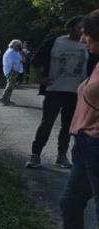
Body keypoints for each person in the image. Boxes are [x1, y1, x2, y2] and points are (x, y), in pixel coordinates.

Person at [33, 9, 99, 229]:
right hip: (85, 144)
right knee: (70, 202)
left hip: (96, 144)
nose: (82, 38)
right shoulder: (96, 61)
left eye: (87, 32)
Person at [27, 16, 88, 169]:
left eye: (84, 28)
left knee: (68, 126)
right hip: (54, 90)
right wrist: (41, 79)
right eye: (78, 27)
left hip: (76, 92)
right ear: (70, 28)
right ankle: (35, 155)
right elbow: (36, 61)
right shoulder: (55, 42)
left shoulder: (87, 44)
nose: (81, 31)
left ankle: (62, 156)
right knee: (46, 123)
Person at [0, 39, 24, 105]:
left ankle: (7, 99)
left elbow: (21, 60)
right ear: (13, 45)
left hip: (14, 70)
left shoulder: (15, 52)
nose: (19, 47)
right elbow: (13, 61)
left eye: (20, 46)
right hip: (11, 70)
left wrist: (21, 56)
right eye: (18, 45)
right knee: (10, 85)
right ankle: (4, 98)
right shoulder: (10, 52)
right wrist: (20, 61)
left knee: (11, 85)